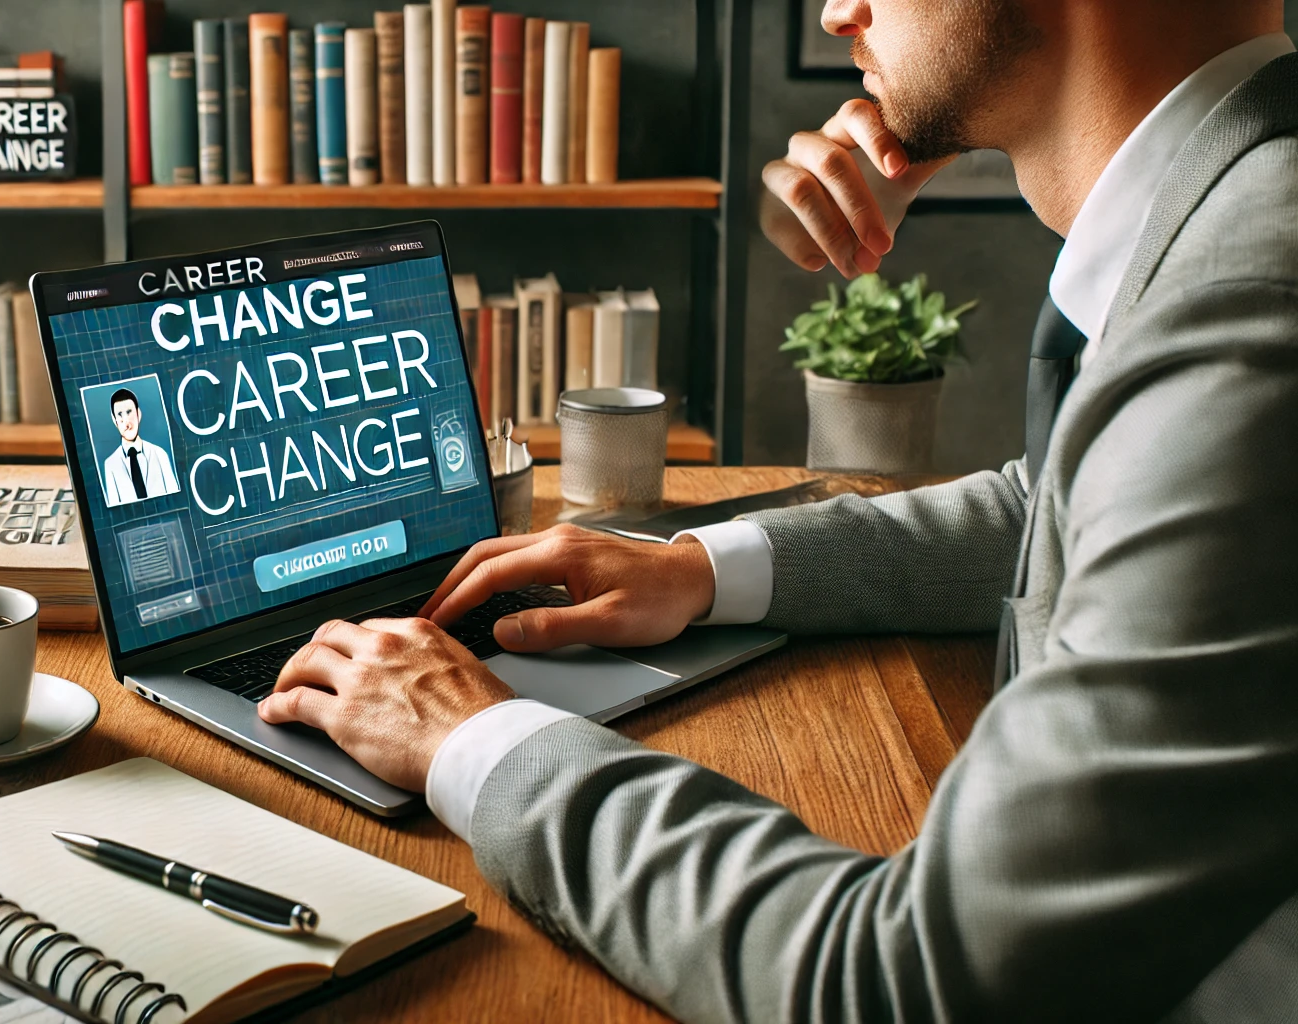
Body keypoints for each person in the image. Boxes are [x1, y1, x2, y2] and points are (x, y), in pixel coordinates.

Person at [257, 0, 1298, 1019]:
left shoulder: (1246, 316)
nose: (837, 12)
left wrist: (472, 743)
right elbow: (1059, 505)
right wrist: (703, 567)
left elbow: (906, 977)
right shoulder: (1230, 204)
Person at [100, 388, 179, 507]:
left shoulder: (159, 454)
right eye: (120, 415)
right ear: (114, 420)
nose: (126, 422)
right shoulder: (110, 464)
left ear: (138, 413)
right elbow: (115, 508)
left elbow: (175, 497)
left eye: (129, 412)